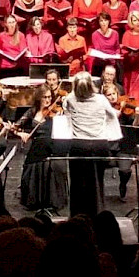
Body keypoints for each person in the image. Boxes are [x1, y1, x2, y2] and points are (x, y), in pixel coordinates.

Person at [62, 70, 122, 217]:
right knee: (97, 182)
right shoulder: (101, 99)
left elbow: (66, 117)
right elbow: (112, 115)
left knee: (77, 182)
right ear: (91, 85)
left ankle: (77, 216)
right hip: (99, 145)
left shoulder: (70, 99)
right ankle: (97, 214)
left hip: (78, 145)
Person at [16, 84, 68, 212]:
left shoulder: (56, 112)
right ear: (39, 98)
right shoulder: (32, 112)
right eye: (45, 97)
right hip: (36, 147)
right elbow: (15, 127)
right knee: (30, 165)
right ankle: (34, 200)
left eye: (50, 97)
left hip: (52, 146)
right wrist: (21, 133)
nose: (48, 100)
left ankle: (51, 201)